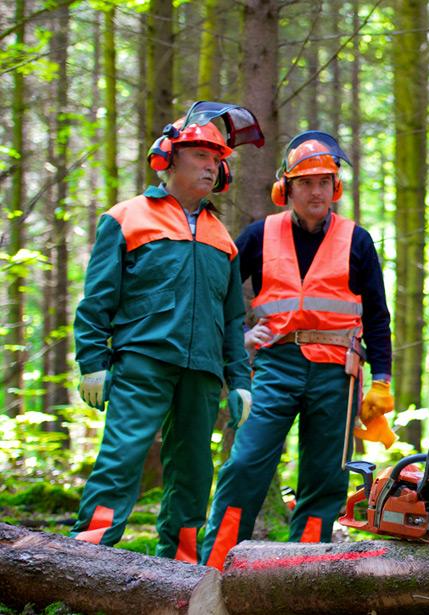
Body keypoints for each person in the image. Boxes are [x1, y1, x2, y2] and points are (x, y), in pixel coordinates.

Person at [72, 101, 263, 562]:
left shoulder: (222, 237)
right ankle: (86, 555)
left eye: (217, 159)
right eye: (200, 155)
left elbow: (233, 319)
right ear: (169, 159)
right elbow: (98, 298)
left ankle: (178, 565)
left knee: (195, 472)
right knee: (122, 459)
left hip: (201, 371)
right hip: (143, 361)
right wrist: (92, 363)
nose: (210, 166)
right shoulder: (126, 217)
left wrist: (239, 382)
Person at [200, 131, 394, 569]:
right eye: (306, 182)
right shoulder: (259, 235)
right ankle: (213, 566)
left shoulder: (356, 240)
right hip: (275, 364)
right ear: (286, 189)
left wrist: (381, 381)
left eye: (324, 181)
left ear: (336, 188)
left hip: (337, 371)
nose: (316, 191)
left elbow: (378, 317)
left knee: (325, 478)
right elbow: (224, 295)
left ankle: (299, 571)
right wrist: (235, 341)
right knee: (245, 463)